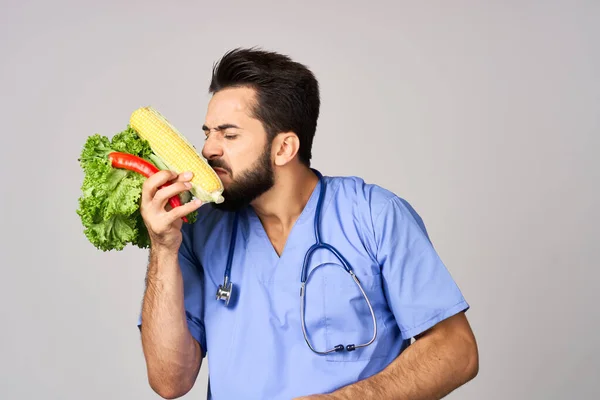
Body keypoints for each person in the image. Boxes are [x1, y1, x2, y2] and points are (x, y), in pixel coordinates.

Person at [137, 47, 479, 400]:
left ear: (284, 148)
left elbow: (457, 350)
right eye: (208, 132)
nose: (208, 149)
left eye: (229, 134)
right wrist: (162, 248)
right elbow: (169, 381)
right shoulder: (195, 229)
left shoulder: (375, 215)